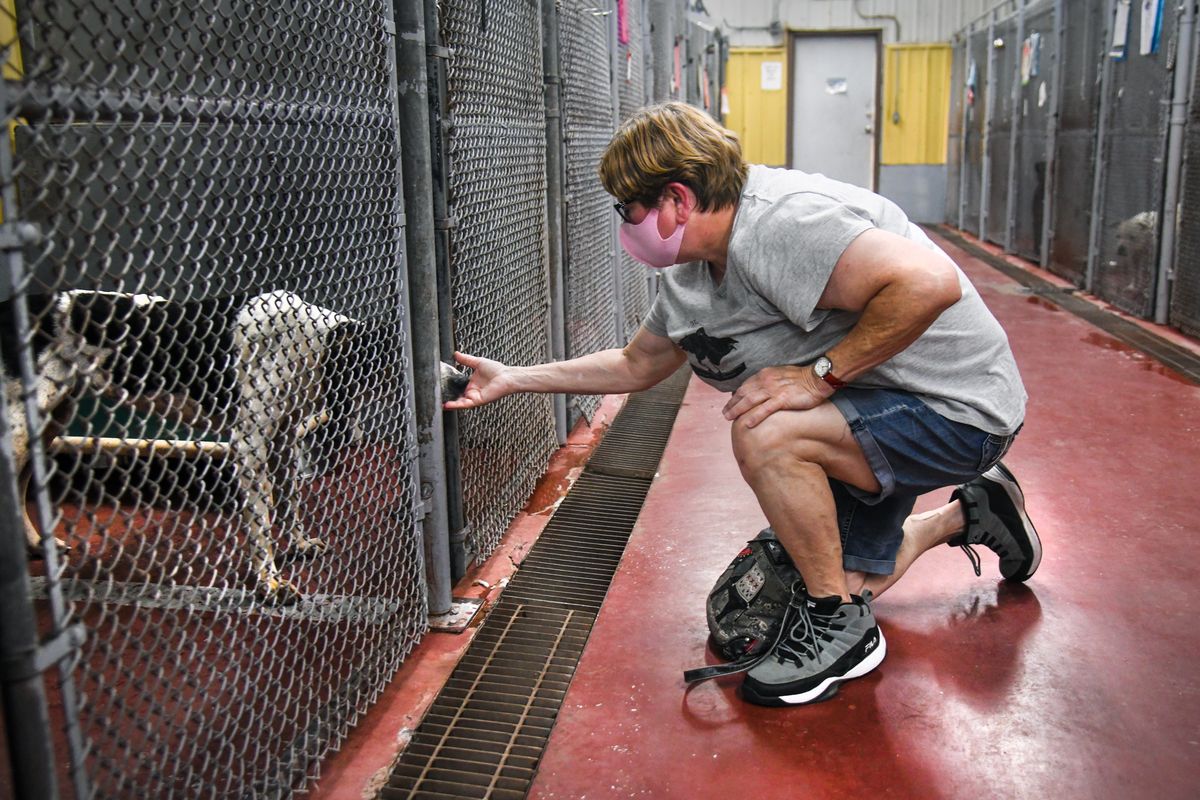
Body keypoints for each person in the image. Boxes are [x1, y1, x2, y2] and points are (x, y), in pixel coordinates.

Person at [444, 101, 1040, 707]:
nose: (626, 225)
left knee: (770, 434)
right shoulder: (694, 269)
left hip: (957, 411)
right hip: (879, 407)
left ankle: (842, 631)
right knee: (823, 582)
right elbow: (638, 364)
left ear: (678, 198)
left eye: (631, 209)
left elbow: (927, 284)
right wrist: (513, 378)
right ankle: (969, 513)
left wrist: (817, 379)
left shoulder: (781, 224)